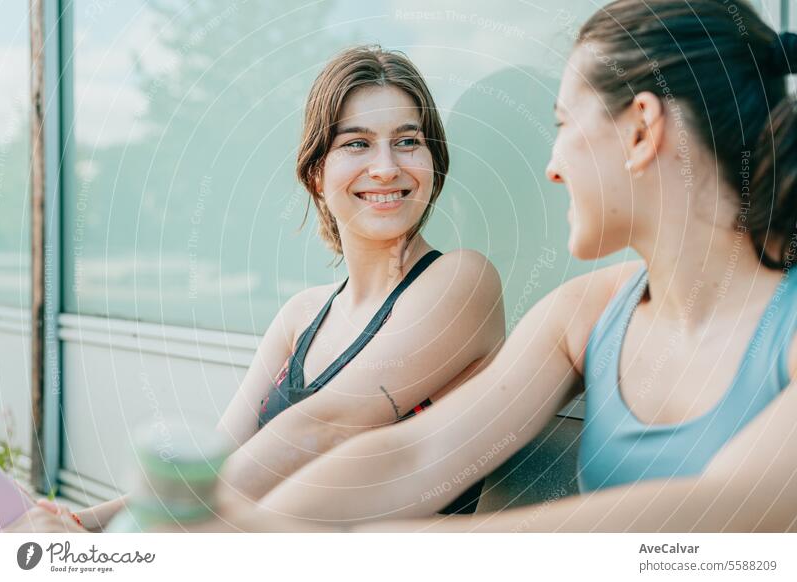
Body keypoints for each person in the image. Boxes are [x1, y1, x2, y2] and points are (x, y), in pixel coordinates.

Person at [241, 0, 797, 532]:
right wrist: (237, 530)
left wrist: (353, 543)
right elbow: (414, 450)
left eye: (562, 126)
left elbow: (717, 520)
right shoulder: (585, 313)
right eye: (356, 145)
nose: (552, 168)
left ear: (640, 131)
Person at [10, 45, 504, 534]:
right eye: (357, 143)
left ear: (432, 162)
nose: (385, 167)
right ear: (315, 173)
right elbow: (218, 457)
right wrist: (84, 521)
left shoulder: (462, 281)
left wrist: (124, 533)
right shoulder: (301, 315)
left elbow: (322, 426)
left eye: (407, 140)